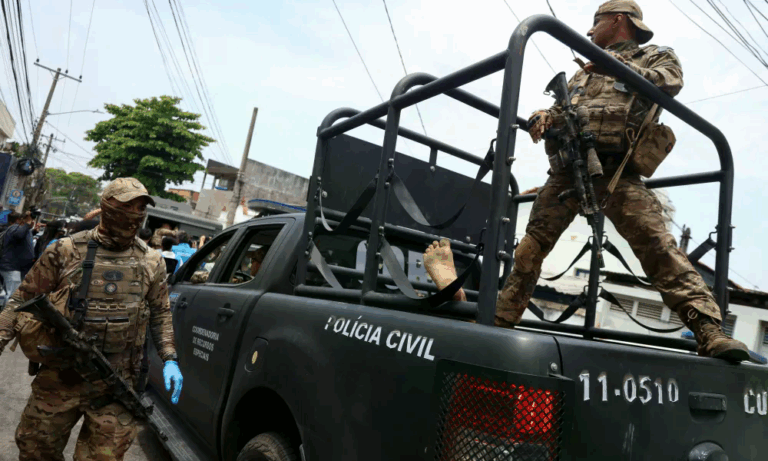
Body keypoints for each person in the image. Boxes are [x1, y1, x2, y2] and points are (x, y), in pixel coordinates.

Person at [423, 0, 750, 362]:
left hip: (617, 173)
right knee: (530, 249)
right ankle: (500, 322)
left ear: (618, 20)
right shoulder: (582, 75)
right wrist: (544, 116)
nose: (590, 32)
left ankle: (709, 331)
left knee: (658, 250)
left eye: (596, 23)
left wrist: (616, 66)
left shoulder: (653, 57)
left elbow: (670, 82)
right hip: (568, 171)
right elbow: (567, 111)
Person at [0, 177, 184, 460]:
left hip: (116, 382)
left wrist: (170, 358)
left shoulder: (151, 261)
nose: (135, 213)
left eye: (141, 207)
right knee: (36, 450)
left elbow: (160, 312)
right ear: (108, 206)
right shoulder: (65, 251)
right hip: (61, 374)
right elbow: (20, 300)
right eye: (128, 205)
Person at [0, 211, 36, 304]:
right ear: (17, 220)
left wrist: (32, 229)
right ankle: (4, 316)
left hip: (15, 267)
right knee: (11, 294)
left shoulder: (18, 229)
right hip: (11, 267)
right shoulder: (14, 228)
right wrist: (27, 224)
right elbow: (19, 235)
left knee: (7, 293)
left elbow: (21, 239)